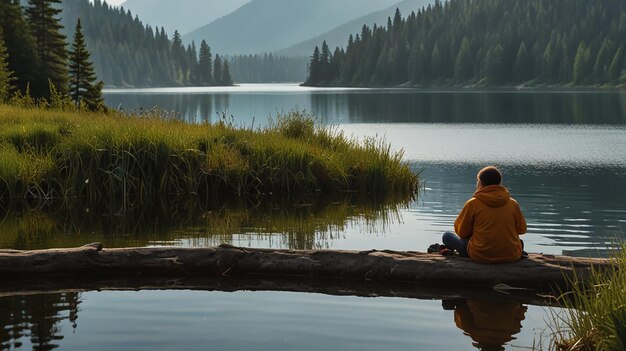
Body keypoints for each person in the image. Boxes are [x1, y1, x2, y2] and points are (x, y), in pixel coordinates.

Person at [442, 166, 527, 263]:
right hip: (512, 255)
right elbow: (522, 229)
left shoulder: (473, 203)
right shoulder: (513, 203)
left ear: (481, 183)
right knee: (518, 242)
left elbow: (462, 233)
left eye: (478, 180)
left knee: (447, 236)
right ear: (499, 183)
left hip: (480, 255)